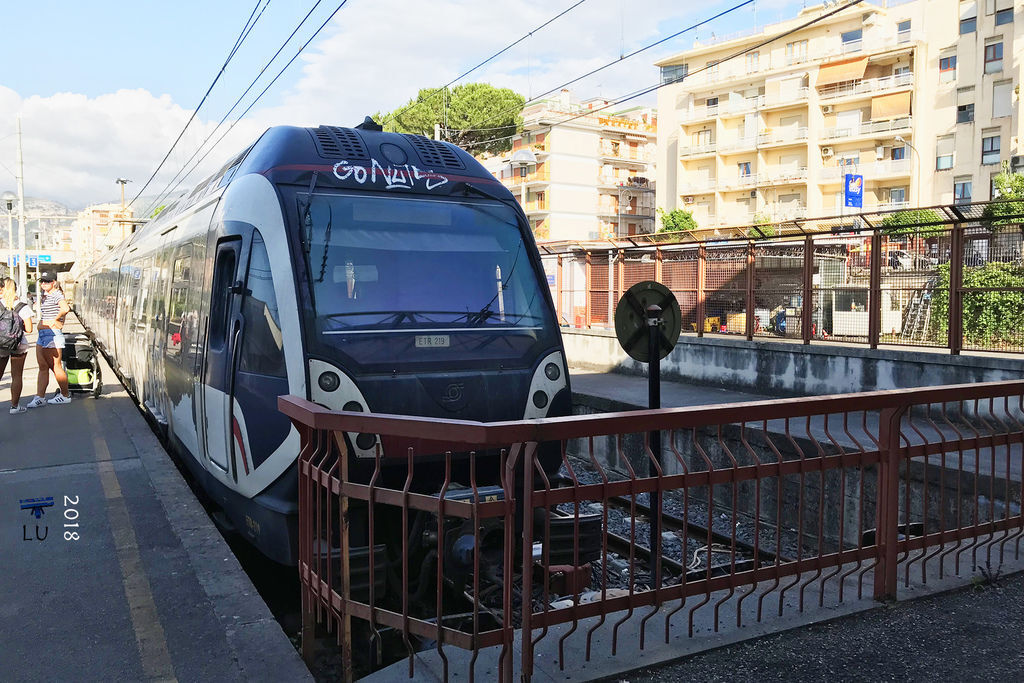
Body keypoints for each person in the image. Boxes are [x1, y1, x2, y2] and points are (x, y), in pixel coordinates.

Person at [27, 271, 71, 407]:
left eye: (47, 281)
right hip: (43, 335)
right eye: (42, 281)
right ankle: (40, 397)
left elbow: (65, 308)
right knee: (43, 366)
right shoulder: (46, 295)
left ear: (54, 282)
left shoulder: (56, 294)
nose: (44, 284)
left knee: (55, 367)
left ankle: (65, 395)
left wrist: (55, 320)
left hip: (51, 334)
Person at [0, 277, 35, 413]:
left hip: (1, 344)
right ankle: (15, 406)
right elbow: (30, 329)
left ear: (2, 289)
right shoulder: (21, 306)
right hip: (18, 345)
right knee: (17, 375)